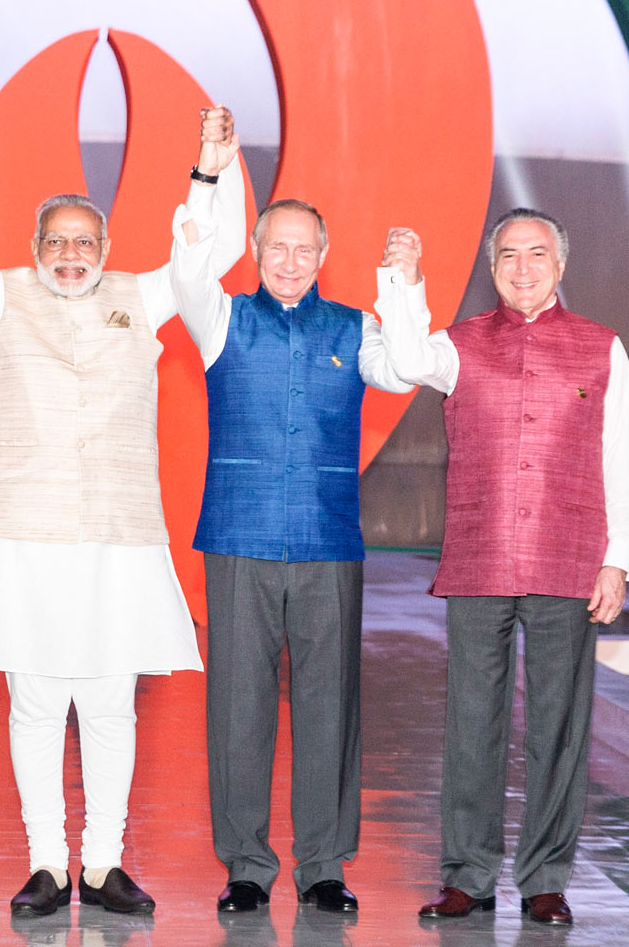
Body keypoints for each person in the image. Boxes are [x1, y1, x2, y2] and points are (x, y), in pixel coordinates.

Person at [0, 106, 249, 918]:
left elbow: (210, 255)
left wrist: (208, 174)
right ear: (35, 247)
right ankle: (45, 863)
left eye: (84, 242)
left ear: (105, 248)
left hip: (117, 536)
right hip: (22, 534)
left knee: (108, 706)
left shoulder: (143, 295)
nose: (69, 255)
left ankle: (103, 865)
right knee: (36, 707)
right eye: (55, 241)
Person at [382, 210, 629, 927]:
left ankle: (545, 881)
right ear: (491, 267)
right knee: (472, 723)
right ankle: (466, 877)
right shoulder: (459, 343)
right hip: (480, 556)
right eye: (508, 256)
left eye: (536, 255)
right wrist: (404, 282)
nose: (522, 268)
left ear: (560, 265)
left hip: (569, 558)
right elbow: (403, 363)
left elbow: (620, 458)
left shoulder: (601, 348)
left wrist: (617, 559)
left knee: (558, 728)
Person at [169, 198, 416, 915]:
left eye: (304, 248)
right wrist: (205, 181)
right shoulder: (221, 320)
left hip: (328, 540)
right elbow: (188, 276)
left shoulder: (356, 328)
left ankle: (324, 865)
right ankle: (246, 865)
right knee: (238, 706)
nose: (289, 261)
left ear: (323, 255)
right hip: (238, 538)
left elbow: (405, 370)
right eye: (276, 246)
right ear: (254, 249)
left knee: (329, 705)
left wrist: (402, 286)